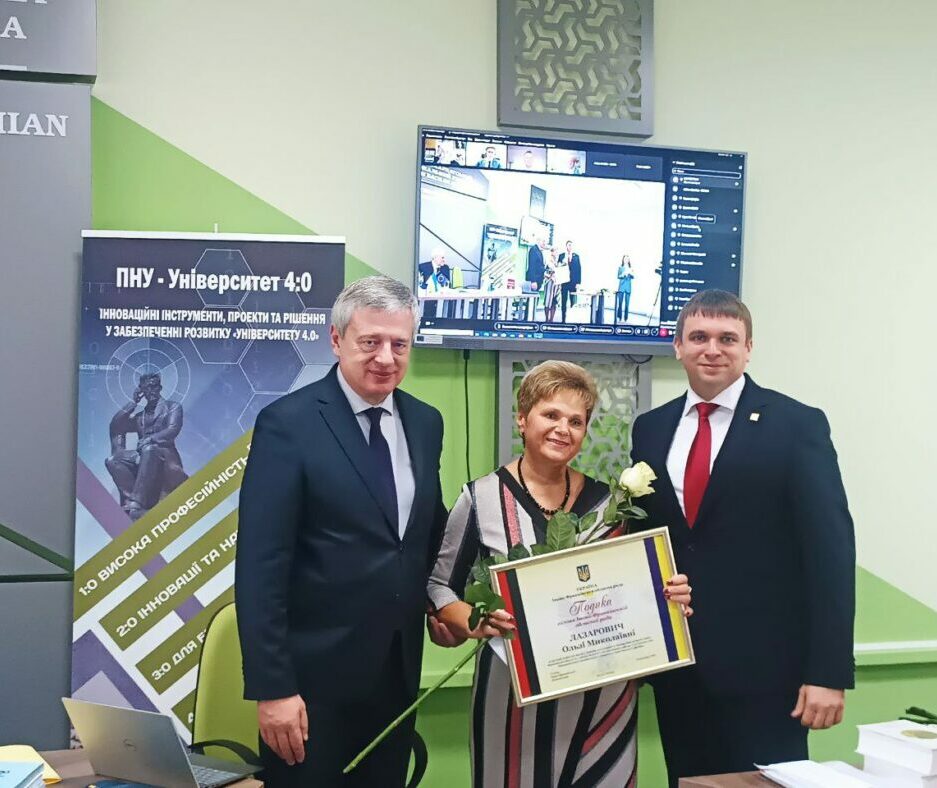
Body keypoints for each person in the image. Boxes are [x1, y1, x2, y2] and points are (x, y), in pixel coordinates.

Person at [235, 276, 458, 788]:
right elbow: (260, 567)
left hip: (396, 678)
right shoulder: (287, 424)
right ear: (336, 340)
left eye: (399, 344)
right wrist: (273, 689)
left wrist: (444, 604)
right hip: (310, 690)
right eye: (370, 342)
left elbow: (425, 534)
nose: (386, 358)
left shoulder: (426, 423)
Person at [429, 361, 693, 787]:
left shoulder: (610, 506)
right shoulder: (480, 498)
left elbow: (637, 590)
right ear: (522, 418)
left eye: (576, 421)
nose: (562, 429)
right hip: (511, 696)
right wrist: (473, 622)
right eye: (550, 414)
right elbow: (440, 585)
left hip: (604, 700)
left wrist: (669, 596)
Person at [629, 289, 855, 786]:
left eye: (727, 338)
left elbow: (831, 553)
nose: (713, 349)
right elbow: (647, 541)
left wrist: (828, 673)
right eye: (699, 337)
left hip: (768, 678)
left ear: (748, 348)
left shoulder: (797, 425)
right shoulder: (650, 429)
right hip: (681, 671)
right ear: (678, 346)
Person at [105, 372, 186, 520]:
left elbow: (172, 430)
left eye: (154, 386)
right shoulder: (139, 417)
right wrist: (133, 402)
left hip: (166, 459)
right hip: (145, 456)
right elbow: (116, 425)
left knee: (149, 449)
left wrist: (150, 439)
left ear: (160, 387)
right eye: (147, 388)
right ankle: (130, 502)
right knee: (113, 460)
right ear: (141, 391)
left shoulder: (173, 407)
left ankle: (137, 503)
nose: (151, 391)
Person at [557, 240, 582, 323]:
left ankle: (572, 319)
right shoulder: (561, 256)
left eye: (571, 245)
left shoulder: (576, 256)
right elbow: (558, 269)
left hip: (573, 282)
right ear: (566, 246)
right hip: (564, 281)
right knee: (563, 301)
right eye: (569, 245)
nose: (570, 246)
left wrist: (578, 283)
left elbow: (579, 270)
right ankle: (563, 319)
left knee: (573, 301)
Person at [616, 255, 634, 322]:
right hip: (621, 287)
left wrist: (630, 274)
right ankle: (619, 317)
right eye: (625, 259)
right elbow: (618, 276)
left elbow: (633, 277)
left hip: (628, 288)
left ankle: (626, 318)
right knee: (620, 303)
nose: (626, 260)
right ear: (623, 260)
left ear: (629, 260)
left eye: (627, 259)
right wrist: (623, 274)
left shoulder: (631, 268)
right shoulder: (620, 268)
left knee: (627, 304)